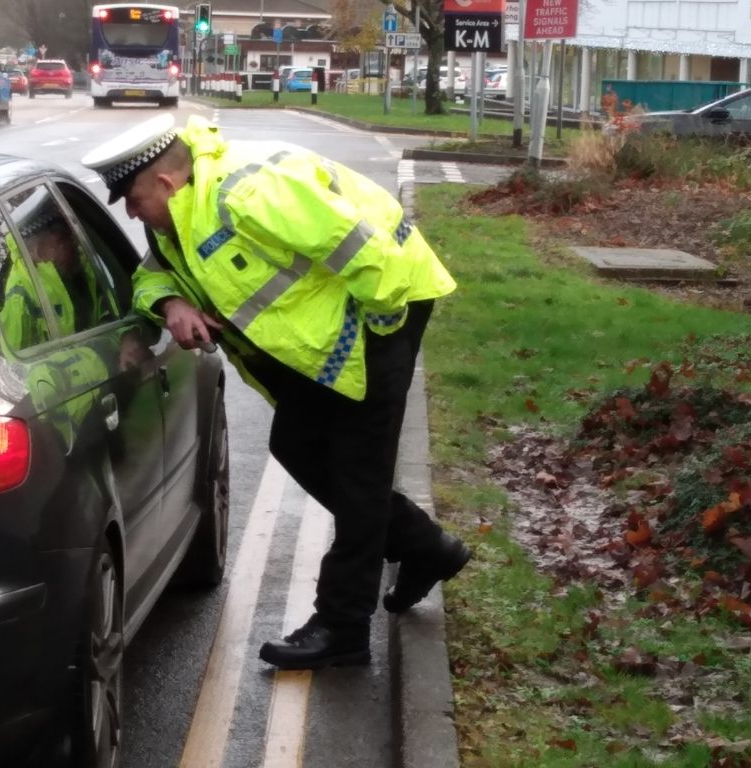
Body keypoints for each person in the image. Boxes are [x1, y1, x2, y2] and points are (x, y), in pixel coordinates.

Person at [81, 113, 471, 671]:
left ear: (166, 183)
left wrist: (376, 347)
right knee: (297, 445)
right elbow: (152, 274)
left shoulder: (249, 191)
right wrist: (173, 304)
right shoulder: (174, 222)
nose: (130, 211)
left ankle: (342, 627)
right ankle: (426, 546)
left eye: (134, 198)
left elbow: (366, 255)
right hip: (336, 345)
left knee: (359, 471)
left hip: (382, 318)